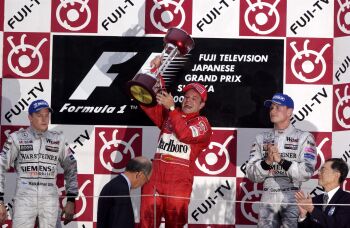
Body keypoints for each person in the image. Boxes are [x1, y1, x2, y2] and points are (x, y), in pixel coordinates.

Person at [139, 56, 212, 227]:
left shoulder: (203, 123)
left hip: (178, 182)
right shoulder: (171, 114)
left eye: (195, 99)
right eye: (186, 97)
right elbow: (149, 99)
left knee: (175, 225)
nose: (189, 100)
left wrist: (171, 108)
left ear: (201, 105)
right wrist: (155, 71)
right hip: (154, 177)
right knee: (146, 224)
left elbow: (185, 134)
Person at [0, 99, 78, 227]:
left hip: (49, 201)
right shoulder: (17, 138)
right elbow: (1, 166)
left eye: (47, 115)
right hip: (24, 200)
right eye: (39, 115)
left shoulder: (58, 139)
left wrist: (71, 200)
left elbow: (71, 167)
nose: (44, 119)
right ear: (30, 117)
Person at [246, 93, 317, 228]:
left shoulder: (304, 137)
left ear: (289, 111)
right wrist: (267, 162)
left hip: (292, 195)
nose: (272, 111)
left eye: (278, 107)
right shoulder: (261, 138)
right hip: (268, 194)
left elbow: (307, 171)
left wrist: (281, 161)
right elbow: (251, 174)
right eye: (271, 107)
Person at [97, 156, 152, 228]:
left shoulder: (115, 184)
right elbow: (121, 223)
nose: (144, 184)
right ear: (140, 175)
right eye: (146, 180)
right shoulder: (121, 190)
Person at [296, 158, 350, 228]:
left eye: (323, 170)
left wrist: (312, 209)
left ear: (336, 175)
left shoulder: (347, 199)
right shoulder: (314, 200)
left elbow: (337, 224)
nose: (318, 173)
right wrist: (303, 216)